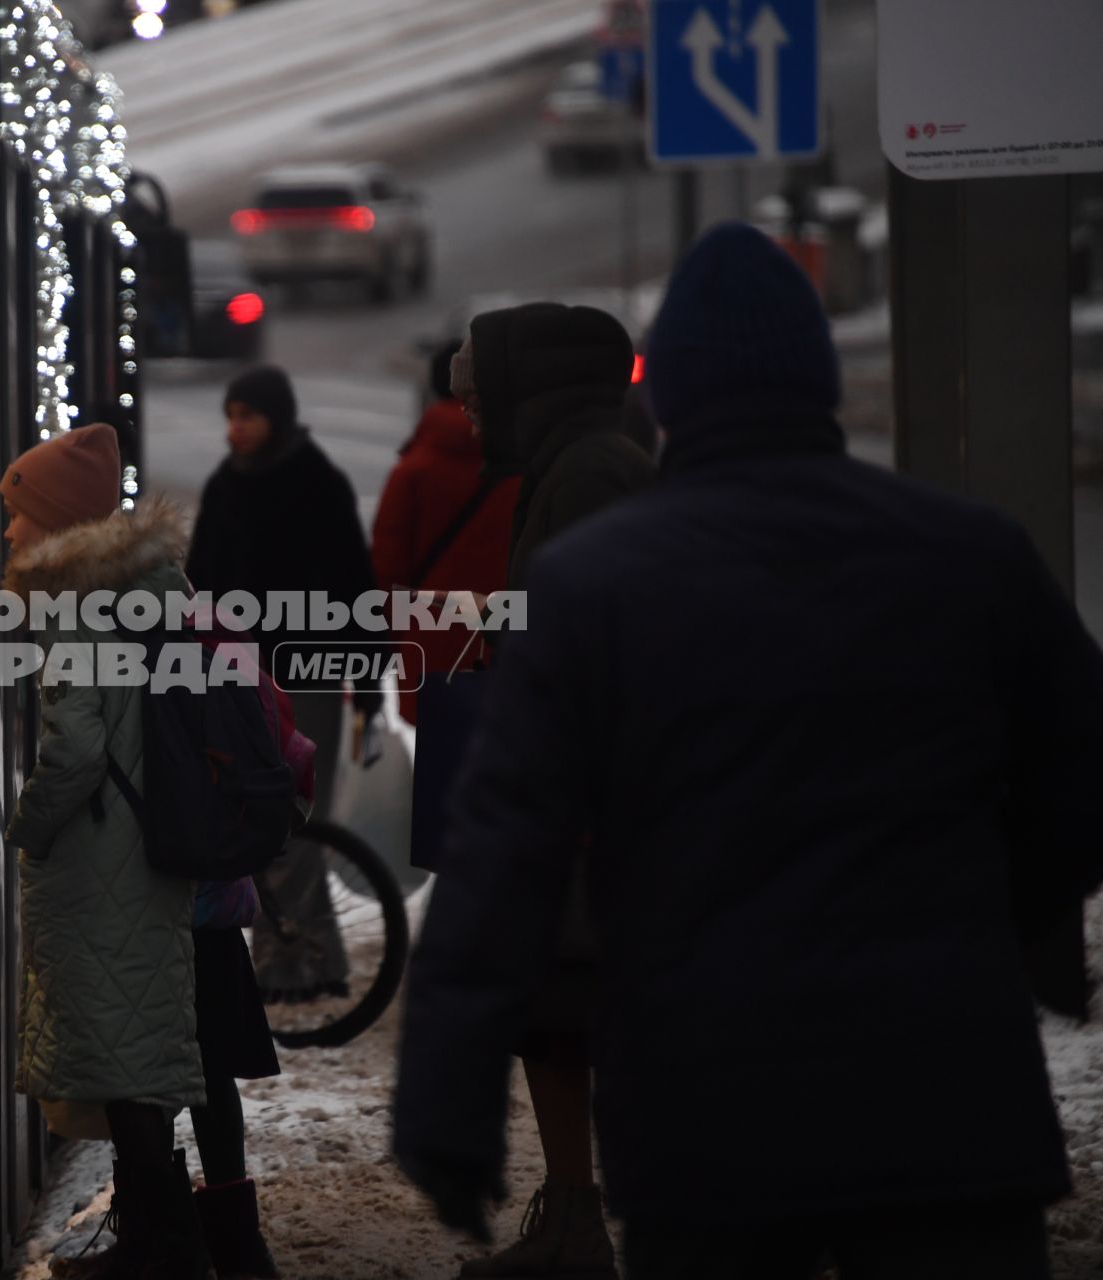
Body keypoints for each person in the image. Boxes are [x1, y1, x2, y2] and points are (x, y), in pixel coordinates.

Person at [394, 223, 1103, 1280]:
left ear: (671, 393)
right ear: (820, 380)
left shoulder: (598, 579)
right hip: (949, 1092)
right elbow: (1080, 769)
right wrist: (1001, 918)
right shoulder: (970, 552)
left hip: (707, 1109)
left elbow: (504, 845)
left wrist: (447, 1105)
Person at [423, 302, 651, 1280]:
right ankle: (574, 1215)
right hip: (584, 799)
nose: (466, 410)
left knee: (564, 1008)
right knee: (550, 1010)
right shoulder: (572, 466)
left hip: (594, 810)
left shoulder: (590, 472)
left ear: (523, 388)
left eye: (476, 392)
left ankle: (585, 1226)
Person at [1, 423, 211, 1280]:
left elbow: (78, 747)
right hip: (145, 846)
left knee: (123, 1055)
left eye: (19, 517)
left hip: (100, 857)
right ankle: (160, 1240)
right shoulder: (145, 586)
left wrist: (28, 826)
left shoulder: (74, 605)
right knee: (136, 1053)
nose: (9, 534)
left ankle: (160, 1250)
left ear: (56, 525)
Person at [186, 364, 382, 1003]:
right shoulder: (226, 485)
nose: (235, 429)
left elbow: (355, 583)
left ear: (277, 416)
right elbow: (201, 584)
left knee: (290, 814)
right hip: (246, 673)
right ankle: (312, 956)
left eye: (247, 415)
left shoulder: (314, 480)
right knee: (275, 811)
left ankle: (283, 961)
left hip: (309, 670)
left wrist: (368, 679)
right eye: (230, 416)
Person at [370, 342, 521, 725]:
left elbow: (387, 570)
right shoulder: (523, 465)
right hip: (505, 640)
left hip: (429, 644)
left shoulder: (414, 471)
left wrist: (390, 639)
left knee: (440, 766)